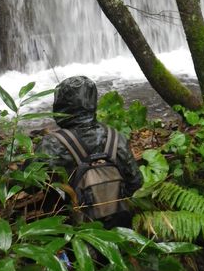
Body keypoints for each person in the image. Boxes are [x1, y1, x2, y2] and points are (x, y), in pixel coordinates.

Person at [35, 76, 142, 228]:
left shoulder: (52, 144)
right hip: (120, 225)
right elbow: (136, 182)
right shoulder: (115, 137)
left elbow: (28, 184)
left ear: (59, 106)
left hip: (73, 231)